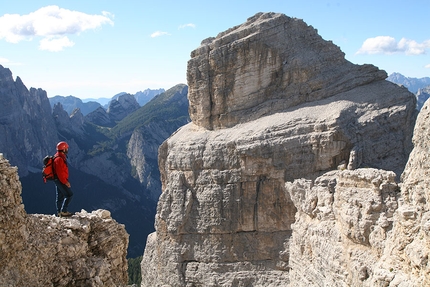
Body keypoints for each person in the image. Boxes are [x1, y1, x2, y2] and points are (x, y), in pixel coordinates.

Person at [53, 141, 74, 217]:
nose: (67, 150)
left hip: (57, 179)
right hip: (60, 180)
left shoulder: (59, 157)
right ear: (64, 149)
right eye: (66, 148)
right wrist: (65, 182)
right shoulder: (59, 159)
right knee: (69, 194)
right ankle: (64, 211)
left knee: (60, 196)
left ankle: (59, 212)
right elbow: (60, 173)